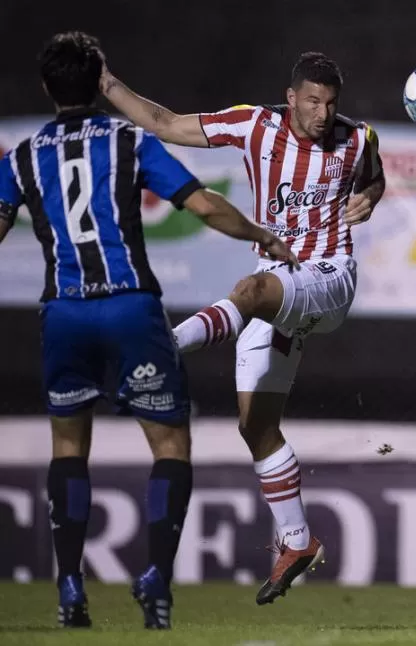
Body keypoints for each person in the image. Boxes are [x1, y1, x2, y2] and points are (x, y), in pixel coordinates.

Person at [0, 32, 295, 629]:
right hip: (131, 308)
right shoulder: (126, 140)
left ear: (46, 87)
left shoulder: (21, 157)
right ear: (97, 76)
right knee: (169, 445)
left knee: (68, 448)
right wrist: (262, 235)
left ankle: (69, 588)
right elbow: (204, 205)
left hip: (64, 312)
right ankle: (156, 580)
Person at [100, 50, 385, 604]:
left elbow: (373, 179)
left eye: (330, 103)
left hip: (328, 277)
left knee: (249, 292)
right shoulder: (254, 124)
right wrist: (106, 82)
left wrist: (368, 199)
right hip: (278, 277)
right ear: (291, 97)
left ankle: (158, 351)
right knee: (255, 426)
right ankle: (298, 541)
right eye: (312, 102)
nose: (323, 114)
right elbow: (165, 123)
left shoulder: (358, 138)